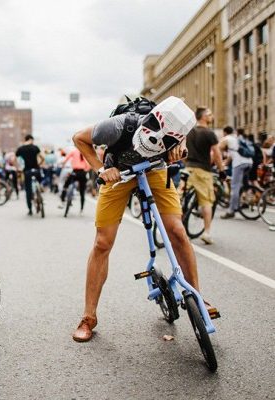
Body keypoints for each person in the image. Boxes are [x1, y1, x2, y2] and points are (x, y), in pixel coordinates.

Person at [71, 96, 213, 342]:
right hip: (118, 174)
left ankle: (197, 296)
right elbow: (79, 138)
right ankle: (88, 316)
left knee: (177, 232)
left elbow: (183, 135)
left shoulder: (177, 127)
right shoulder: (117, 126)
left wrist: (181, 146)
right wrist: (101, 169)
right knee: (102, 243)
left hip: (155, 171)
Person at [185, 107, 226, 244]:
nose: (211, 116)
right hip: (203, 170)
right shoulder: (209, 133)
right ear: (202, 117)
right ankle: (207, 233)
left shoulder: (189, 131)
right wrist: (221, 170)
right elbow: (216, 153)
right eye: (209, 114)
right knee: (206, 201)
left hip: (188, 168)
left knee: (180, 196)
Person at [219, 128, 253, 219]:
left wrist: (219, 163)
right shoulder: (237, 138)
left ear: (225, 132)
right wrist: (224, 163)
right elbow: (231, 156)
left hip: (239, 164)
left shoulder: (226, 139)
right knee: (240, 184)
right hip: (249, 162)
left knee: (234, 187)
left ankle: (231, 211)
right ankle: (244, 199)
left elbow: (217, 149)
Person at [16, 135, 44, 215]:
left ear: (25, 140)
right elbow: (42, 158)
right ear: (31, 139)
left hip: (27, 171)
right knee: (40, 180)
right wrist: (39, 164)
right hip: (36, 170)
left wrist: (18, 167)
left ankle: (30, 209)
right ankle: (39, 190)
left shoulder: (21, 149)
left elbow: (15, 158)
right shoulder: (35, 147)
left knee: (28, 191)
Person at [59, 147, 90, 214]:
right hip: (82, 173)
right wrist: (85, 171)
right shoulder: (84, 152)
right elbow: (88, 165)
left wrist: (63, 164)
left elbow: (66, 159)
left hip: (75, 172)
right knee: (82, 191)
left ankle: (62, 200)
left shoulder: (74, 151)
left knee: (66, 185)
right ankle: (81, 208)